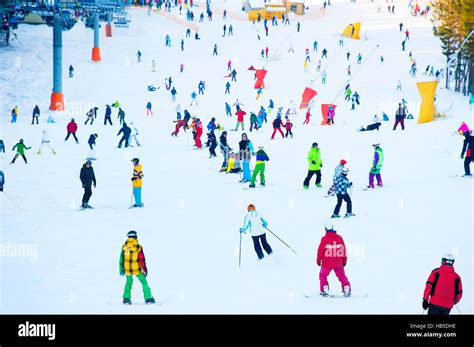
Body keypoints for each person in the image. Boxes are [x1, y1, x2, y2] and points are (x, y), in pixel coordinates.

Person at [120, 230, 155, 304]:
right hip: (137, 269)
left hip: (127, 269)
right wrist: (145, 269)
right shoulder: (138, 247)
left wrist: (121, 269)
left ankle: (126, 298)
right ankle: (148, 298)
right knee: (144, 282)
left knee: (128, 282)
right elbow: (141, 259)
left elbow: (121, 258)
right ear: (135, 237)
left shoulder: (125, 247)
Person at [317, 221, 351, 297]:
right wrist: (344, 260)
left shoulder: (324, 239)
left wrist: (318, 260)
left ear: (325, 229)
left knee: (323, 275)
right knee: (342, 276)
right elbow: (343, 249)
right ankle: (346, 287)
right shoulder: (339, 238)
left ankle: (324, 289)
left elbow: (320, 251)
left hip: (327, 263)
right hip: (338, 262)